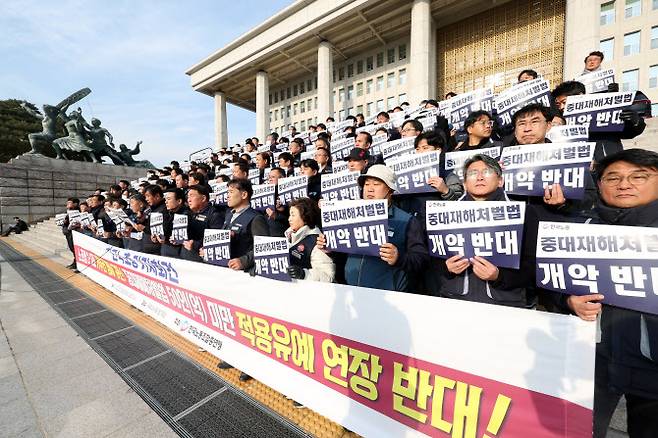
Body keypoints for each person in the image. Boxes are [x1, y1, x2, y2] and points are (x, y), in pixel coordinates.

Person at [563, 149, 658, 437]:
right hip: (592, 362)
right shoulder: (579, 229)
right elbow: (555, 282)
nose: (624, 184)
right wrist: (568, 301)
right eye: (613, 177)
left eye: (638, 177)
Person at [434, 155, 536, 308]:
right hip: (454, 300)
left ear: (500, 180)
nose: (480, 177)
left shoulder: (525, 213)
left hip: (506, 304)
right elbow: (432, 259)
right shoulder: (444, 213)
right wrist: (446, 268)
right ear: (465, 183)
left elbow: (533, 264)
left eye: (487, 172)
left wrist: (499, 276)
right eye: (473, 173)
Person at [317, 165, 428, 292]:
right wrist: (330, 247)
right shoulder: (352, 215)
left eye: (376, 184)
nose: (369, 189)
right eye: (366, 184)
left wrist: (398, 258)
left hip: (387, 296)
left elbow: (421, 259)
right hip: (351, 291)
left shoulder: (406, 220)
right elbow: (344, 254)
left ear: (390, 190)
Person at [217, 178, 269, 381]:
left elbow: (263, 247)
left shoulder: (255, 218)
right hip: (228, 277)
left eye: (231, 191)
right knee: (231, 318)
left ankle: (251, 364)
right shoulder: (229, 215)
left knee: (247, 322)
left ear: (244, 194)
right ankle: (234, 356)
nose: (227, 195)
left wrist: (244, 261)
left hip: (246, 278)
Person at [552, 80, 646, 162]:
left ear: (580, 96)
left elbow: (628, 132)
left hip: (608, 164)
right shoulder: (558, 120)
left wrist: (635, 121)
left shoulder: (605, 113)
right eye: (558, 104)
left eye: (564, 102)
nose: (561, 107)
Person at [285, 197, 335, 282]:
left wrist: (304, 274)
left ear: (305, 217)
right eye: (290, 215)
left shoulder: (317, 242)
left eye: (293, 215)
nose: (289, 219)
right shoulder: (288, 237)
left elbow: (327, 276)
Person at [181, 185, 225, 262]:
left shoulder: (214, 215)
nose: (189, 200)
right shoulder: (188, 214)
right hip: (185, 258)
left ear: (203, 198)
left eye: (192, 196)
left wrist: (196, 244)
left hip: (201, 261)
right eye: (188, 197)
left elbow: (216, 240)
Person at [158, 188, 189, 258]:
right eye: (165, 199)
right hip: (166, 249)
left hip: (180, 253)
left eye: (169, 199)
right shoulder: (166, 212)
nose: (166, 202)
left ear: (179, 201)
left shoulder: (187, 215)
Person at [266, 168, 290, 237]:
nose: (270, 179)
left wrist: (277, 215)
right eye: (269, 177)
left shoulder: (289, 193)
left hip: (281, 232)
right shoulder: (266, 194)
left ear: (282, 178)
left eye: (273, 177)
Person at [62, 197, 80, 270]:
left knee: (75, 248)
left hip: (75, 233)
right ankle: (75, 262)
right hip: (68, 232)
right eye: (67, 203)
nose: (67, 204)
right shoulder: (68, 211)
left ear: (75, 204)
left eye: (69, 203)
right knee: (72, 248)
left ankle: (77, 264)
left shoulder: (78, 211)